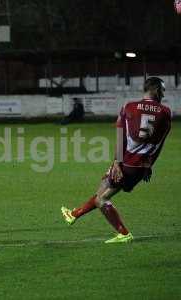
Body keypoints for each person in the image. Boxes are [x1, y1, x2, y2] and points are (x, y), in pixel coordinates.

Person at [61, 77, 172, 243]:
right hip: (140, 165)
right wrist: (148, 165)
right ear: (155, 90)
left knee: (102, 199)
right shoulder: (165, 112)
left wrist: (116, 163)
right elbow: (159, 143)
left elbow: (121, 137)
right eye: (162, 89)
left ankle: (124, 233)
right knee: (103, 187)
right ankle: (73, 214)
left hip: (126, 163)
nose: (164, 93)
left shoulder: (129, 107)